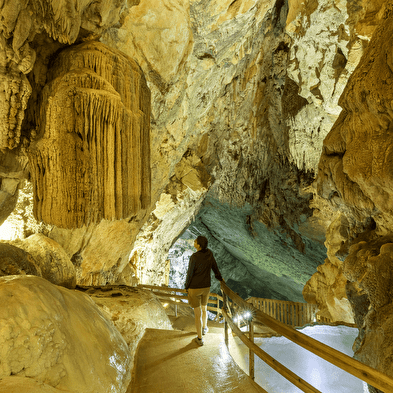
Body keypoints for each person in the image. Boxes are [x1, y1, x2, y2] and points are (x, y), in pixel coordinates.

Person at [185, 235, 224, 346]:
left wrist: (186, 286)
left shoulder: (194, 257)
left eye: (195, 241)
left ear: (199, 245)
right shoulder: (209, 254)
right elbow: (215, 267)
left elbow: (190, 274)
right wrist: (220, 278)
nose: (194, 242)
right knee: (204, 309)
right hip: (206, 287)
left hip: (195, 288)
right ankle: (204, 328)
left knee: (197, 314)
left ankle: (200, 339)